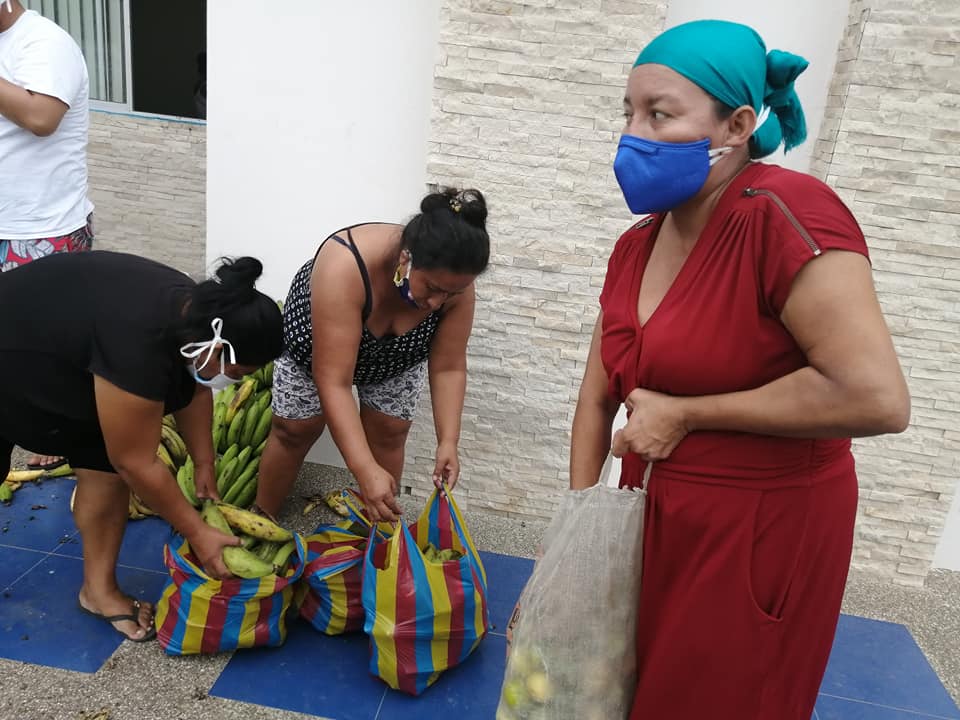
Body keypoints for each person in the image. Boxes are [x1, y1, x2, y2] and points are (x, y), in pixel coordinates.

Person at [569, 20, 910, 720]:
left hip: (760, 528)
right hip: (651, 511)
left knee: (721, 699)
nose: (633, 135)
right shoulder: (636, 244)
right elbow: (597, 394)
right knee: (629, 693)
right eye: (628, 113)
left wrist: (688, 414)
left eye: (659, 114)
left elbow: (876, 396)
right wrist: (575, 534)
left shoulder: (785, 214)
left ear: (737, 125)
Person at [0, 251, 283, 641]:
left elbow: (195, 389)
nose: (233, 382)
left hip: (68, 355)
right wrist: (197, 533)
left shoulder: (197, 317)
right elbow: (136, 463)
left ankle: (98, 592)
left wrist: (204, 461)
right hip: (17, 349)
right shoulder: (138, 347)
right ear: (219, 348)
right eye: (237, 373)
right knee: (120, 461)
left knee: (105, 468)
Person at [255, 188, 490, 523]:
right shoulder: (344, 265)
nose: (438, 303)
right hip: (319, 341)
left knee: (389, 431)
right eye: (433, 289)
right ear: (407, 259)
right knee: (295, 428)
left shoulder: (454, 283)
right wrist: (363, 468)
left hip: (397, 352)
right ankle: (261, 519)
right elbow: (334, 381)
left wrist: (448, 441)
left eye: (451, 293)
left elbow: (448, 367)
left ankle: (379, 534)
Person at [0, 0, 95, 470]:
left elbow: (42, 118)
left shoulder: (44, 43)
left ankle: (54, 429)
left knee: (47, 345)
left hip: (40, 227)